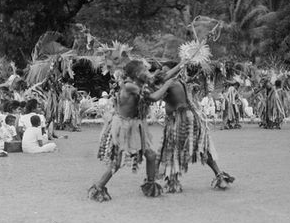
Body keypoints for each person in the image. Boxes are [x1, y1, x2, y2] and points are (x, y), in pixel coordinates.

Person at [88, 60, 167, 202]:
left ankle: (150, 184)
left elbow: (156, 80)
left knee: (150, 155)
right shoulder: (131, 86)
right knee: (117, 163)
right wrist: (169, 84)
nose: (147, 72)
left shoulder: (137, 84)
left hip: (135, 126)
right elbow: (154, 97)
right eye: (145, 70)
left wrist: (180, 66)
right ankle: (98, 187)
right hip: (123, 127)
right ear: (137, 73)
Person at [149, 65, 235, 193]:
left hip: (181, 120)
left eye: (165, 69)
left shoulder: (171, 83)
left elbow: (153, 95)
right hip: (184, 119)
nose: (162, 72)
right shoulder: (177, 82)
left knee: (175, 150)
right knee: (197, 149)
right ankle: (219, 175)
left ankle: (173, 181)